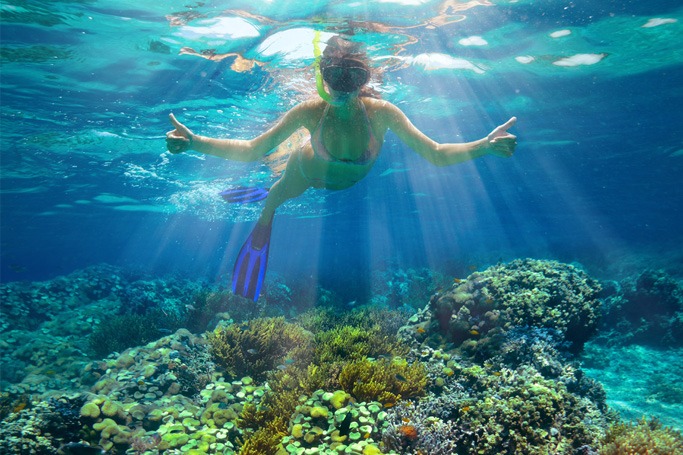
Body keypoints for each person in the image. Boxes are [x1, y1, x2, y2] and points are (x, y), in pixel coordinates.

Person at [166, 36, 517, 301]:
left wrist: (484, 146)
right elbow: (253, 148)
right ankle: (264, 217)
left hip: (333, 178)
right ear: (324, 77)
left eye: (353, 76)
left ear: (364, 79)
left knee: (278, 182)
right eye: (336, 75)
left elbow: (436, 153)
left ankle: (267, 193)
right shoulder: (309, 110)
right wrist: (195, 142)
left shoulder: (382, 112)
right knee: (277, 197)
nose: (343, 86)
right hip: (304, 174)